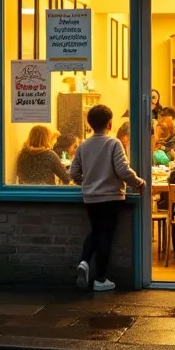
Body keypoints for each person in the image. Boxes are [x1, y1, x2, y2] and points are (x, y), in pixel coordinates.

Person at [71, 105, 146, 292]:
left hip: (91, 197)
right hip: (111, 197)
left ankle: (84, 261)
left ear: (90, 124)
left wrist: (87, 182)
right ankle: (100, 279)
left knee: (96, 232)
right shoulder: (113, 143)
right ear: (110, 123)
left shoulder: (83, 145)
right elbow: (122, 170)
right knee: (106, 235)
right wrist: (138, 182)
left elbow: (73, 173)